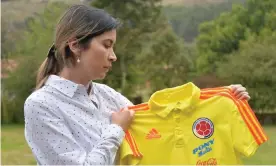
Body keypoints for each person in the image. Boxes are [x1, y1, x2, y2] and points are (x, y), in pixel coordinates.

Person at [24, 4, 250, 165]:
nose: (113, 56)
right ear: (75, 45)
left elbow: (161, 120)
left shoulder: (107, 96)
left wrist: (219, 99)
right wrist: (116, 130)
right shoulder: (41, 105)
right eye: (106, 45)